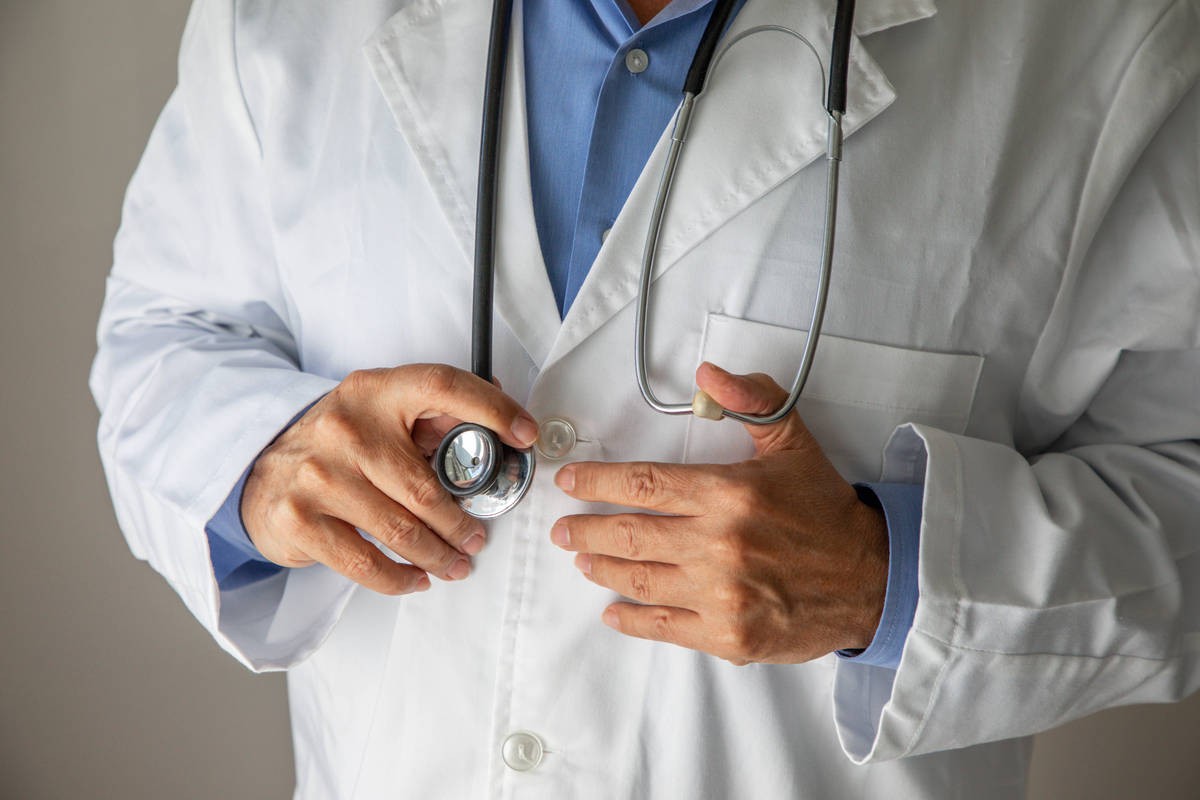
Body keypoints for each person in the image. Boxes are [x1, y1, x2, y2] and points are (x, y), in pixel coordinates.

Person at [91, 0, 1200, 796]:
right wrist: (267, 461)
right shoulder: (279, 21)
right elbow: (160, 341)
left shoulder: (1108, 40)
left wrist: (889, 575)